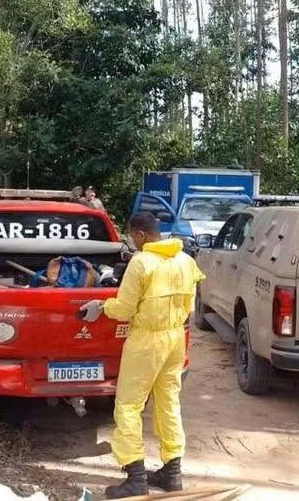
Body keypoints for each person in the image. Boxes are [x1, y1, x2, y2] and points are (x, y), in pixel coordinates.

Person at [78, 212, 205, 498]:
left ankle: (136, 477)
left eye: (132, 237)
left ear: (141, 235)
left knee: (128, 405)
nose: (132, 243)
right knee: (168, 402)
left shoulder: (141, 262)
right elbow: (191, 308)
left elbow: (123, 310)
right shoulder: (185, 260)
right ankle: (172, 472)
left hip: (147, 340)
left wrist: (102, 305)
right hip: (174, 340)